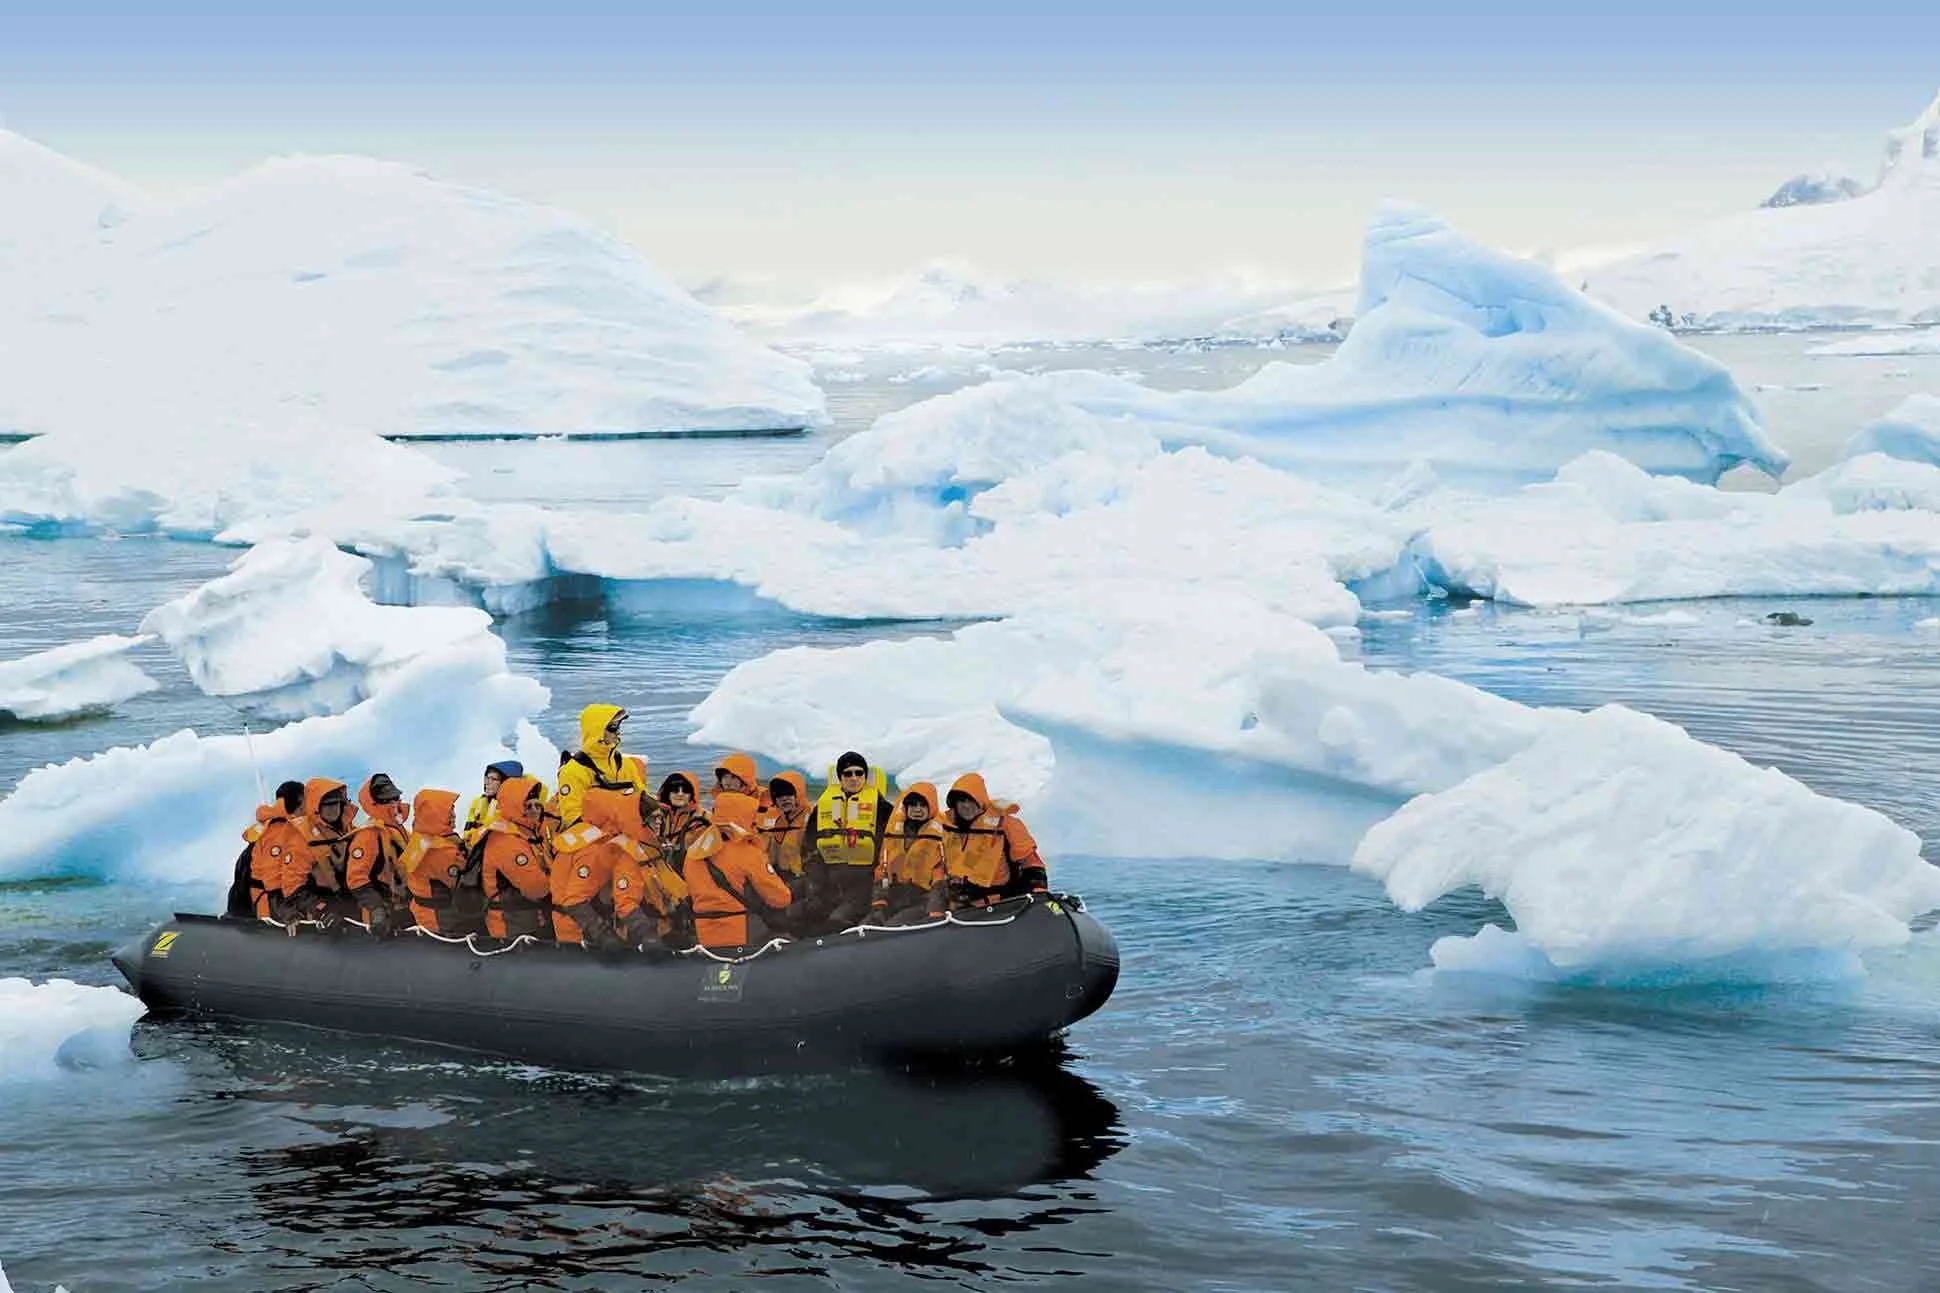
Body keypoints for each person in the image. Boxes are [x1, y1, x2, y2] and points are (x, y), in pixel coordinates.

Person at [551, 787, 691, 949]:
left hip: (651, 925)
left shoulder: (639, 846)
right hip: (577, 933)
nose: (659, 821)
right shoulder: (597, 849)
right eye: (654, 818)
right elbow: (575, 900)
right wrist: (604, 935)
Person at [685, 791, 794, 952]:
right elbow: (780, 898)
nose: (755, 821)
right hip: (740, 932)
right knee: (790, 941)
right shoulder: (748, 853)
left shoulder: (693, 853)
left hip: (703, 934)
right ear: (743, 817)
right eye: (752, 816)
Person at [806, 751, 893, 929]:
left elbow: (893, 845)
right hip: (830, 880)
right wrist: (817, 876)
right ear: (840, 777)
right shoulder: (824, 806)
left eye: (859, 773)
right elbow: (810, 843)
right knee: (799, 915)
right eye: (848, 773)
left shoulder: (882, 808)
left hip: (864, 883)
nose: (854, 778)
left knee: (836, 921)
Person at [938, 773, 1049, 907]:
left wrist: (1039, 895)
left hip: (1001, 904)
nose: (966, 806)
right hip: (960, 905)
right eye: (961, 801)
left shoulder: (1006, 824)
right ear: (954, 804)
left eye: (971, 800)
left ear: (981, 801)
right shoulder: (946, 827)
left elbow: (1032, 864)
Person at [480, 776, 553, 940]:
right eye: (528, 806)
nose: (534, 810)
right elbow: (537, 888)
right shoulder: (506, 841)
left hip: (526, 918)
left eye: (537, 805)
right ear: (515, 807)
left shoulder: (525, 833)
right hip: (510, 926)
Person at [555, 704, 649, 827]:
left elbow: (645, 801)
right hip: (594, 839)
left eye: (618, 726)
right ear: (597, 730)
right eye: (613, 727)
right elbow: (572, 818)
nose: (618, 732)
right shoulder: (573, 771)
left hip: (628, 833)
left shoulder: (625, 764)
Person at [400, 789, 477, 936]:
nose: (454, 815)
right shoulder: (439, 850)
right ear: (435, 814)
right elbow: (466, 885)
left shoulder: (421, 839)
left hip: (422, 913)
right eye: (449, 811)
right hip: (441, 920)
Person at [870, 782, 948, 924]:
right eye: (913, 805)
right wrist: (878, 906)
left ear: (932, 807)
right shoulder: (895, 834)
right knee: (866, 927)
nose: (917, 809)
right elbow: (882, 870)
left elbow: (940, 878)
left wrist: (935, 911)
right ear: (906, 808)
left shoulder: (942, 835)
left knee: (891, 927)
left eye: (923, 805)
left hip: (924, 901)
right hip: (895, 898)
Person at [227, 780, 307, 919]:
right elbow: (272, 879)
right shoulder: (278, 832)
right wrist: (286, 912)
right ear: (300, 803)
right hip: (268, 908)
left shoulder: (281, 827)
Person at [280, 778, 357, 920]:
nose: (332, 809)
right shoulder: (302, 837)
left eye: (336, 803)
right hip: (323, 906)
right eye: (326, 805)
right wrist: (321, 909)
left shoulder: (352, 831)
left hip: (355, 900)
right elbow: (292, 884)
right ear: (316, 806)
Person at [346, 773, 412, 934]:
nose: (396, 802)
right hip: (382, 917)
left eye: (396, 797)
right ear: (375, 803)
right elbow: (355, 878)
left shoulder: (399, 829)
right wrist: (377, 909)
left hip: (404, 909)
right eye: (390, 799)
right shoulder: (368, 834)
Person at [651, 771, 715, 873]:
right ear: (667, 793)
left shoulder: (705, 819)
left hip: (690, 873)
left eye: (685, 790)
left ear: (692, 794)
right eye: (675, 790)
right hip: (664, 871)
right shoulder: (658, 816)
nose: (680, 794)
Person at [757, 771, 813, 888]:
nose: (784, 799)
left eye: (788, 794)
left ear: (798, 794)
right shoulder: (778, 820)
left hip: (802, 877)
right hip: (780, 874)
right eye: (779, 796)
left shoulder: (811, 817)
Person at [464, 760, 522, 846]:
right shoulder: (477, 803)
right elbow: (467, 834)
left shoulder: (515, 806)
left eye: (493, 779)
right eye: (487, 778)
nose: (487, 782)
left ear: (505, 783)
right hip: (477, 849)